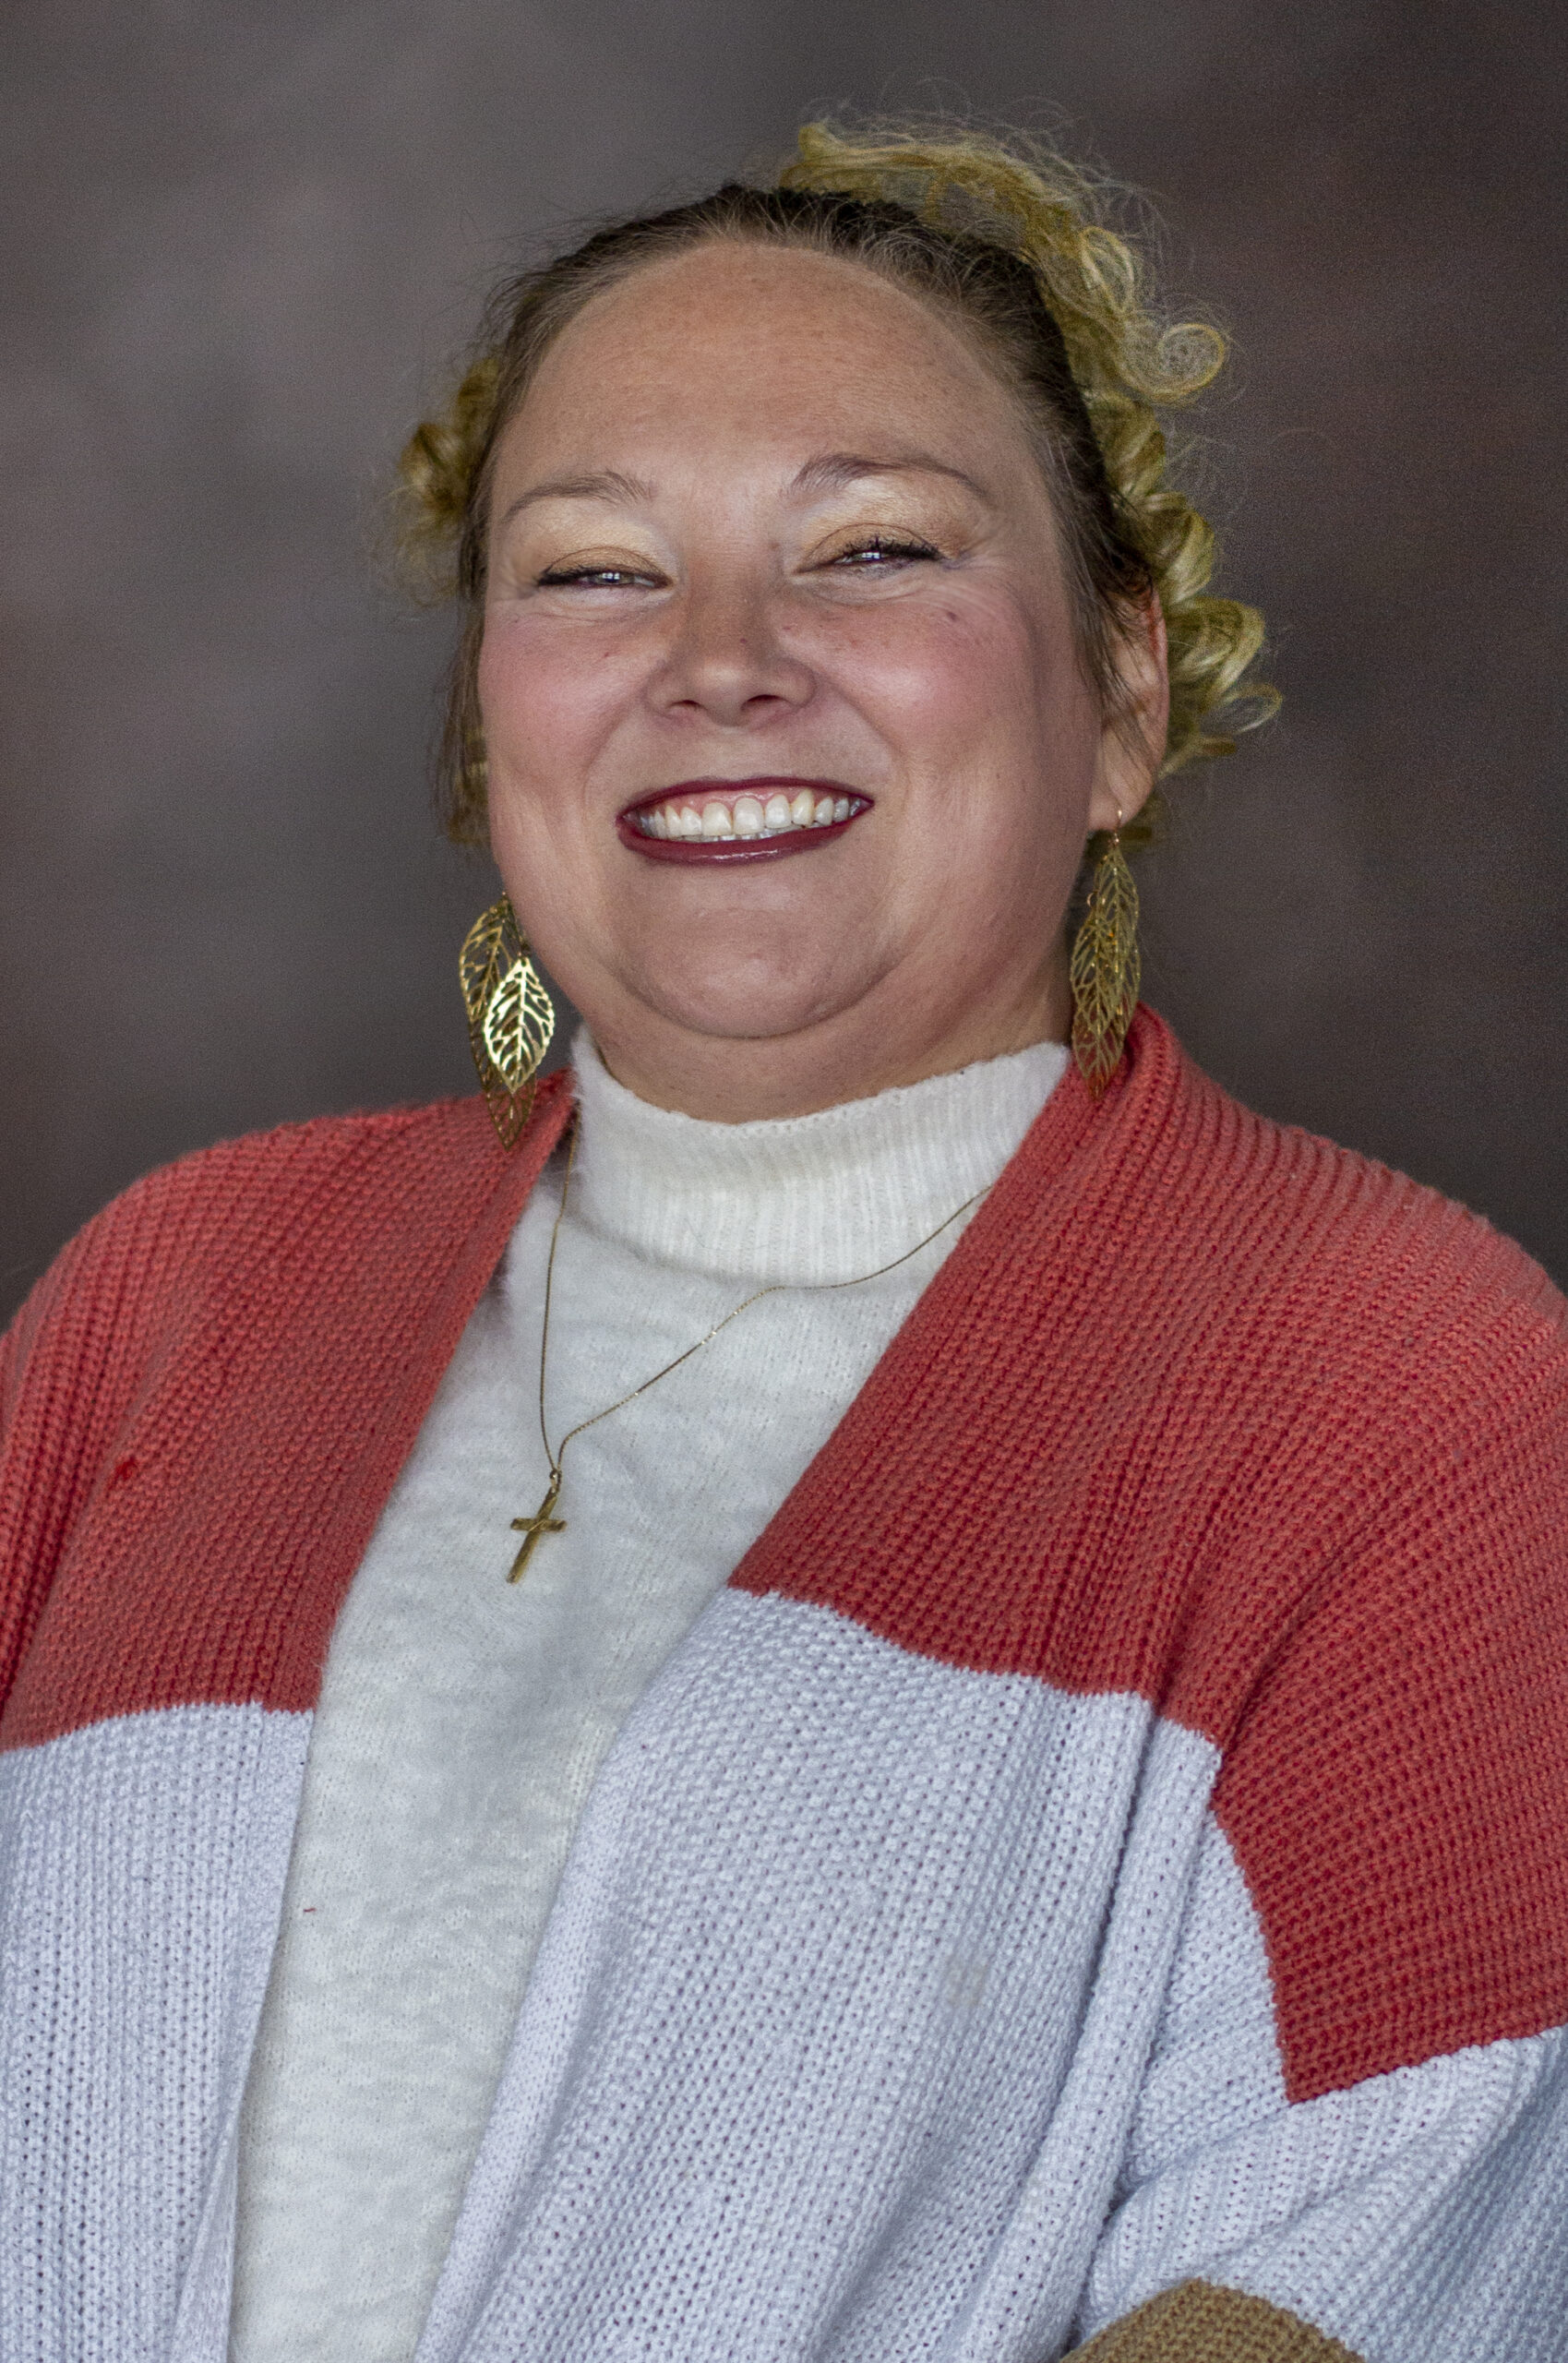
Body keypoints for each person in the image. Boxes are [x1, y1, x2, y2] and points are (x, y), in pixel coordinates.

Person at [1, 120, 1564, 2363]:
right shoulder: (177, 1292)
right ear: (488, 716)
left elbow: (1382, 2239)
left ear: (1120, 694)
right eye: (593, 570)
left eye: (874, 546)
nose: (722, 660)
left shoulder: (1399, 1386)